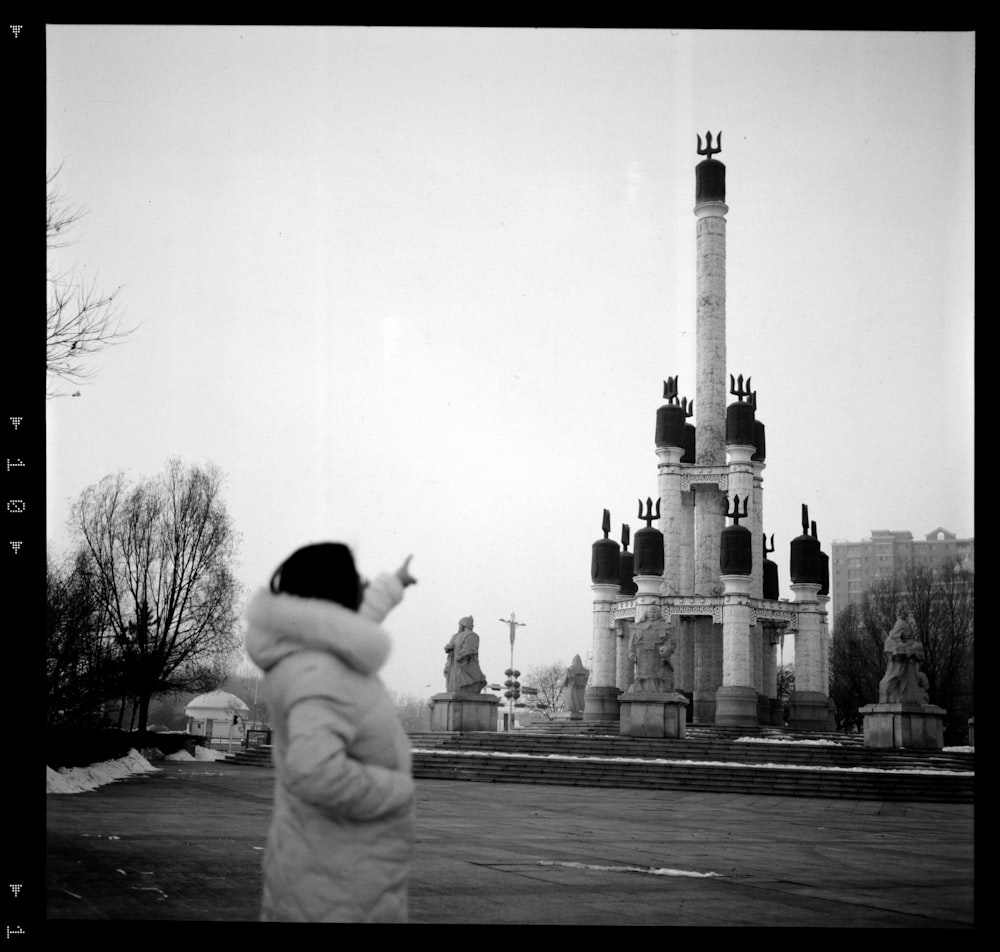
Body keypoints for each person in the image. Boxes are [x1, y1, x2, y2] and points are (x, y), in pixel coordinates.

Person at [244, 542, 417, 922]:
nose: (364, 582)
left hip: (326, 865)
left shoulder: (309, 649)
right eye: (356, 577)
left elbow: (356, 625)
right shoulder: (317, 671)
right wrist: (397, 789)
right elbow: (316, 772)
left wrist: (394, 583)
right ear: (335, 591)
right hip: (338, 886)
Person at [878, 610, 929, 704]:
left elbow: (920, 656)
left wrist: (913, 651)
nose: (908, 632)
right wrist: (906, 652)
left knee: (913, 692)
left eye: (908, 630)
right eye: (905, 630)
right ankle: (888, 696)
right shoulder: (891, 640)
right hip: (898, 670)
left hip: (910, 672)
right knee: (891, 681)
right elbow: (894, 656)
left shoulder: (911, 643)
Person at [627, 605, 675, 693]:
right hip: (642, 654)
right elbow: (631, 642)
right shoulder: (637, 627)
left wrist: (666, 648)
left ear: (659, 614)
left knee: (658, 674)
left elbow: (671, 643)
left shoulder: (665, 626)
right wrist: (631, 653)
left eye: (655, 612)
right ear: (646, 613)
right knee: (642, 674)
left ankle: (659, 689)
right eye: (650, 612)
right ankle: (640, 689)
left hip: (658, 655)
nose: (652, 614)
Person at [443, 615, 487, 693]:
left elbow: (470, 649)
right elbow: (449, 647)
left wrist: (461, 655)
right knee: (454, 685)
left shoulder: (471, 635)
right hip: (454, 665)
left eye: (460, 625)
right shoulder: (455, 636)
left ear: (465, 625)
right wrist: (448, 647)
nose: (459, 627)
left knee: (465, 681)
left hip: (465, 664)